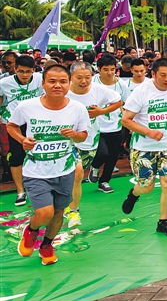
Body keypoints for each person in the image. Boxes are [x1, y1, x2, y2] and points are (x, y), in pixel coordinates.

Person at [10, 64, 89, 265]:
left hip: (65, 169)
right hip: (36, 170)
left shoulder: (77, 108)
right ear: (43, 83)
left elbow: (83, 136)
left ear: (69, 84)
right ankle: (31, 230)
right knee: (44, 212)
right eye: (52, 81)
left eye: (63, 81)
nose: (57, 86)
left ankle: (47, 244)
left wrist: (75, 135)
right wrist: (22, 140)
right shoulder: (27, 106)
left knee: (58, 212)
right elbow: (11, 125)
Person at [121, 58, 167, 236]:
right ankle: (134, 194)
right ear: (152, 74)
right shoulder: (142, 92)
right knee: (147, 187)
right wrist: (148, 132)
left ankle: (163, 221)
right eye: (163, 75)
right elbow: (125, 119)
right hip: (144, 147)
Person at [65, 61, 122, 228]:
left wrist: (101, 111)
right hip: (64, 139)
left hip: (88, 139)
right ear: (71, 77)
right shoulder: (63, 90)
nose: (83, 81)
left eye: (87, 77)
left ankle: (68, 204)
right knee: (77, 173)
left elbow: (118, 102)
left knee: (76, 174)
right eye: (79, 78)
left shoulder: (98, 90)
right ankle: (73, 210)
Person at [0, 55, 43, 206]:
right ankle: (20, 192)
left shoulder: (40, 79)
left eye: (28, 71)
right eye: (21, 71)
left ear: (33, 70)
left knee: (38, 154)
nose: (25, 75)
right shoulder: (4, 83)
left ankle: (39, 187)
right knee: (17, 156)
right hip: (14, 124)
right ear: (15, 69)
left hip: (36, 122)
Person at [89, 54, 129, 193]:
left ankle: (104, 181)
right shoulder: (92, 83)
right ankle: (95, 167)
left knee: (113, 156)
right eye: (106, 69)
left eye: (112, 69)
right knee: (102, 153)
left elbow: (126, 103)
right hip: (96, 126)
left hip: (115, 125)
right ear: (99, 69)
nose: (110, 72)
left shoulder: (120, 84)